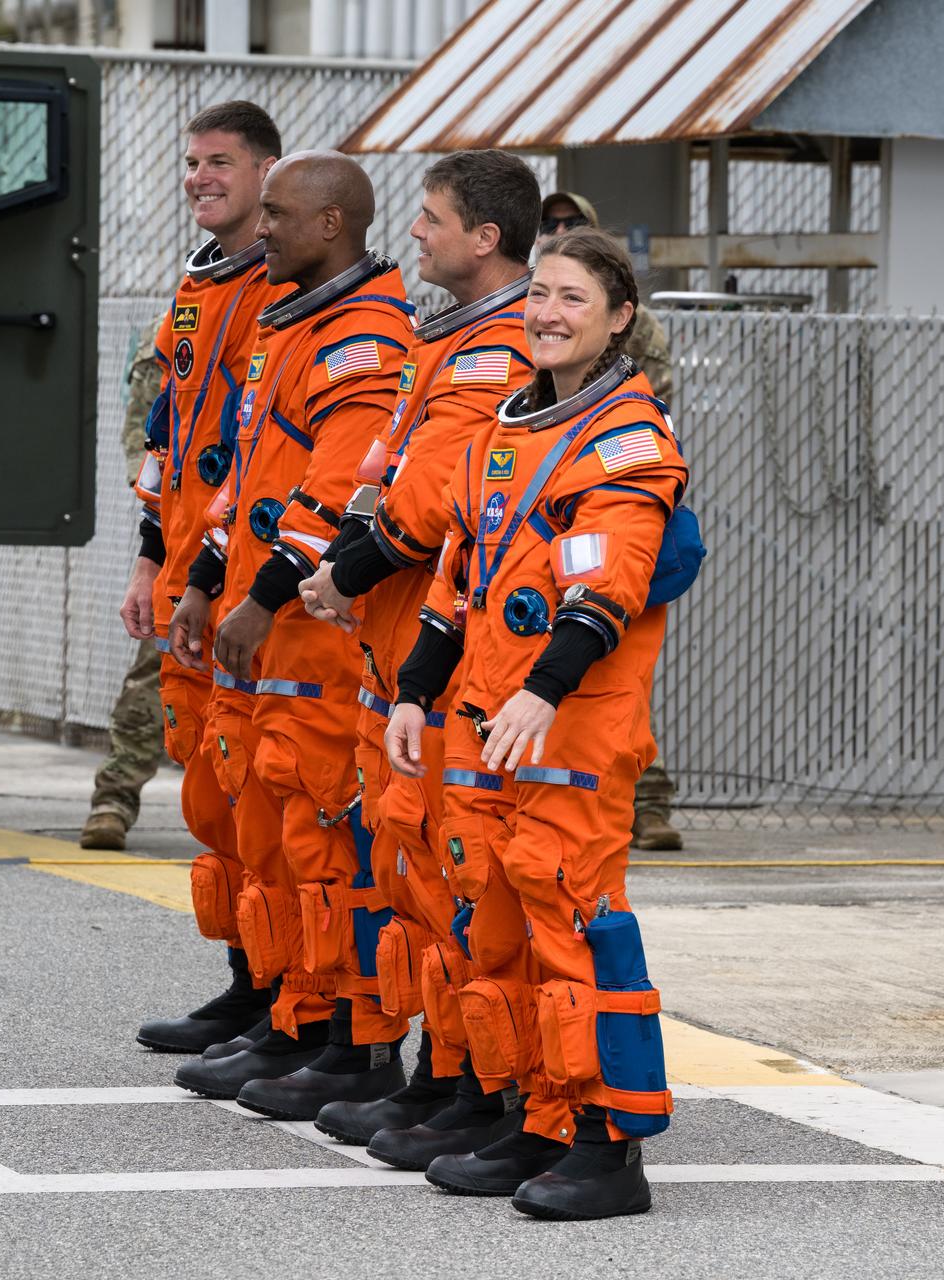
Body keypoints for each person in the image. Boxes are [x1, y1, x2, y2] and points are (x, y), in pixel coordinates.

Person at [383, 227, 688, 1219]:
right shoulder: (500, 434)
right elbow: (452, 589)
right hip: (488, 724)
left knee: (574, 925)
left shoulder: (625, 441)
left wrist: (543, 691)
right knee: (498, 925)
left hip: (569, 727)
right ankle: (541, 1113)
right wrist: (415, 697)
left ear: (619, 319)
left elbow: (603, 592)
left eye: (575, 299)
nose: (549, 312)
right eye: (542, 293)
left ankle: (611, 1145)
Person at [294, 149, 540, 1164]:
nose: (417, 233)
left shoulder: (499, 349)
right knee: (418, 872)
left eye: (433, 218)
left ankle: (488, 1087)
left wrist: (340, 572)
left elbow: (432, 501)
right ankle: (448, 1072)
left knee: (463, 878)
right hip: (404, 646)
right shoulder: (453, 337)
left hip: (452, 654)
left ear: (485, 238)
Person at [166, 151, 416, 1109]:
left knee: (325, 843)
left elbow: (330, 502)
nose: (259, 228)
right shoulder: (289, 324)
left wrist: (262, 595)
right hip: (262, 639)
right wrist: (199, 578)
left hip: (314, 641)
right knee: (265, 834)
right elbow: (245, 483)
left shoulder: (363, 337)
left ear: (331, 226)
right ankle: (288, 1015)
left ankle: (345, 1039)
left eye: (277, 213)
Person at [123, 101, 287, 1055]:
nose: (200, 178)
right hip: (191, 573)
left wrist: (215, 578)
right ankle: (245, 983)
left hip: (248, 583)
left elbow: (256, 454)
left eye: (220, 162)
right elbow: (170, 437)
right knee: (214, 798)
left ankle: (286, 999)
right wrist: (152, 560)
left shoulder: (281, 290)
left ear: (268, 173)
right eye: (192, 163)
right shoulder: (196, 288)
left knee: (271, 804)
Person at [538, 191, 683, 851]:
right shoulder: (532, 315)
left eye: (572, 225)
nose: (560, 231)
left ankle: (643, 802)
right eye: (551, 226)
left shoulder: (634, 337)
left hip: (608, 494)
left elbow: (651, 402)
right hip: (543, 510)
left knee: (611, 658)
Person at [81, 341, 169, 852]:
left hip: (281, 529)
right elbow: (147, 443)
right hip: (194, 526)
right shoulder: (187, 316)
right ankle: (114, 799)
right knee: (157, 663)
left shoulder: (300, 304)